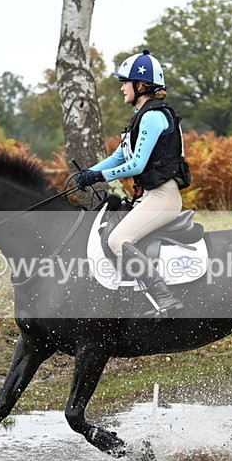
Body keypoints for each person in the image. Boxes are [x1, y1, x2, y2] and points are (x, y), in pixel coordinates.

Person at [77, 49, 191, 316]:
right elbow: (119, 157)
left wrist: (100, 177)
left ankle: (166, 298)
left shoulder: (153, 116)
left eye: (124, 83)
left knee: (118, 240)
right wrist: (88, 172)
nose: (122, 89)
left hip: (163, 198)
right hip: (150, 196)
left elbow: (137, 165)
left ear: (140, 85)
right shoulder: (140, 117)